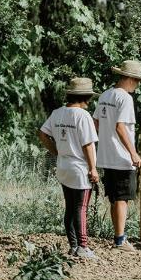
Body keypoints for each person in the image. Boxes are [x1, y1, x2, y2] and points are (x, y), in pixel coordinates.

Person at [39, 76, 100, 259]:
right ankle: (83, 246)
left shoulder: (57, 113)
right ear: (86, 97)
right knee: (81, 208)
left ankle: (73, 246)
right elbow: (88, 145)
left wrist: (56, 151)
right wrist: (93, 168)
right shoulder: (83, 116)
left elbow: (42, 134)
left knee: (70, 207)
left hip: (63, 166)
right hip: (79, 168)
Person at [93, 60, 141, 251]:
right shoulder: (125, 98)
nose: (138, 84)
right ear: (130, 79)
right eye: (137, 81)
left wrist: (104, 141)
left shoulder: (105, 95)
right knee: (122, 199)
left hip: (106, 155)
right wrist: (134, 153)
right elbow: (121, 127)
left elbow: (96, 122)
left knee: (115, 199)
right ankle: (120, 240)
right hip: (122, 158)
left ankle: (118, 237)